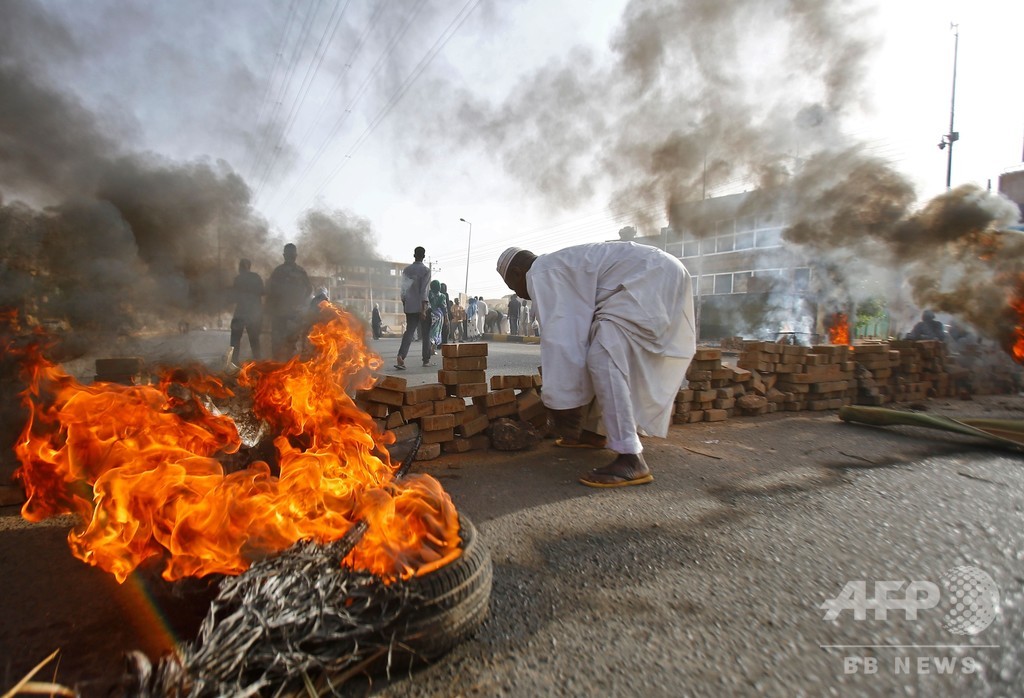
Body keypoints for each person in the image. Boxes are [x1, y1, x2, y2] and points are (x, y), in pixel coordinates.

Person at [497, 242, 695, 488]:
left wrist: (561, 404)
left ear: (517, 273)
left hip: (649, 276)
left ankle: (631, 458)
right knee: (597, 345)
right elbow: (576, 337)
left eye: (513, 287)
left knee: (604, 356)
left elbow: (561, 339)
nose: (518, 294)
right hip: (660, 271)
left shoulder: (540, 272)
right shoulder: (557, 265)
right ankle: (595, 432)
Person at [266, 242, 312, 361]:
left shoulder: (279, 271)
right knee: (288, 343)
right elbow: (309, 290)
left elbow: (270, 291)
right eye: (290, 255)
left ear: (285, 255)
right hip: (286, 313)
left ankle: (284, 368)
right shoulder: (297, 272)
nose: (291, 257)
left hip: (287, 313)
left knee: (288, 342)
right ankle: (284, 368)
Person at [396, 246, 431, 369]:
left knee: (409, 332)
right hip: (421, 306)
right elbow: (423, 291)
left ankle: (401, 356)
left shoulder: (406, 270)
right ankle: (426, 360)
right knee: (426, 334)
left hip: (409, 307)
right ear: (424, 256)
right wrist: (423, 309)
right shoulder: (426, 270)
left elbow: (403, 290)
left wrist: (405, 304)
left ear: (414, 255)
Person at [228, 258, 264, 365]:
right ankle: (258, 362)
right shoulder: (256, 278)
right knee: (254, 340)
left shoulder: (238, 279)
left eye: (240, 266)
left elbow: (234, 297)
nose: (240, 268)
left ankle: (233, 362)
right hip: (253, 313)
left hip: (242, 312)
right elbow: (262, 292)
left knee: (235, 339)